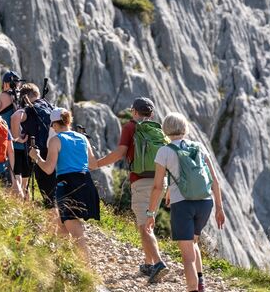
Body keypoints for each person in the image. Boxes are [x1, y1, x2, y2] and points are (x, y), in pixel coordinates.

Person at [147, 113, 226, 292]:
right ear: (184, 128)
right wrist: (219, 208)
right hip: (205, 203)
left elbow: (157, 186)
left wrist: (151, 213)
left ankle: (193, 289)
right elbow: (214, 180)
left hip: (183, 205)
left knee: (187, 255)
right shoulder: (199, 147)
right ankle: (201, 284)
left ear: (165, 130)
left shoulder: (164, 151)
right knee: (193, 242)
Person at [95, 97, 169, 282]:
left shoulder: (130, 127)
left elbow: (120, 153)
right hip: (161, 181)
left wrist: (96, 164)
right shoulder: (157, 129)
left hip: (141, 181)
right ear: (151, 114)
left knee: (145, 227)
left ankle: (158, 263)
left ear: (134, 111)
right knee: (146, 222)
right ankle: (148, 264)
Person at [29, 107, 100, 259]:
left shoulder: (55, 140)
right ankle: (65, 260)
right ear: (69, 121)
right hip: (86, 182)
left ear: (55, 124)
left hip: (67, 184)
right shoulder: (82, 138)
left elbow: (48, 169)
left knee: (74, 227)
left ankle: (87, 271)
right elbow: (93, 165)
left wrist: (36, 157)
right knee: (62, 225)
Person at [20, 86, 56, 207]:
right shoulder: (49, 107)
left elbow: (15, 118)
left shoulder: (29, 110)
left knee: (49, 195)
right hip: (55, 150)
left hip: (39, 153)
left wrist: (17, 137)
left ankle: (54, 216)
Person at [9, 82, 39, 196]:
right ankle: (26, 207)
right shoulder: (34, 110)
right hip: (30, 148)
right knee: (25, 184)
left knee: (17, 179)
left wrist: (16, 138)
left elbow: (14, 118)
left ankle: (19, 206)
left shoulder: (21, 109)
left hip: (17, 148)